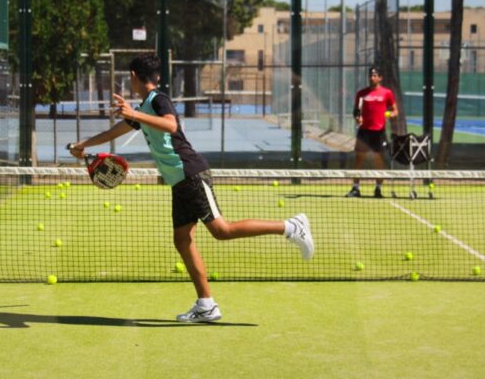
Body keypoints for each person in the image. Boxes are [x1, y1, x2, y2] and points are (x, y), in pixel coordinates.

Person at [69, 54, 314, 323]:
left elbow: (171, 124)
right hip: (179, 182)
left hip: (191, 174)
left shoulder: (158, 100)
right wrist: (84, 145)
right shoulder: (145, 107)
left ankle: (292, 226)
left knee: (222, 230)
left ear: (133, 77)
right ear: (157, 75)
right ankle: (206, 305)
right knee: (182, 239)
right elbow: (118, 130)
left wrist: (134, 113)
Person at [346, 66, 397, 198]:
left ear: (380, 78)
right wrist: (358, 118)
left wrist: (390, 114)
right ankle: (355, 188)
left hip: (379, 132)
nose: (372, 77)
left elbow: (395, 110)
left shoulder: (387, 93)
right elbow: (356, 112)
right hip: (364, 132)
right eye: (371, 75)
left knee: (379, 161)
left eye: (375, 75)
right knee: (359, 159)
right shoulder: (361, 94)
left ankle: (378, 189)